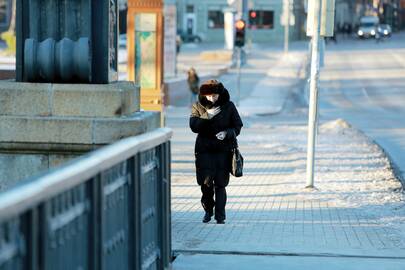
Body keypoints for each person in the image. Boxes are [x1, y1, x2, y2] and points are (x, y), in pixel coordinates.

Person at [189, 79, 243, 224]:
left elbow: (238, 126)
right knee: (206, 185)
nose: (212, 98)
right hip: (204, 152)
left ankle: (220, 216)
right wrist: (208, 115)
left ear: (220, 93)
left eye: (215, 95)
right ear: (204, 95)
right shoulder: (197, 107)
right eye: (209, 96)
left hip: (223, 152)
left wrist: (227, 133)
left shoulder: (229, 106)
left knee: (220, 184)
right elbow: (193, 126)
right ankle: (208, 211)